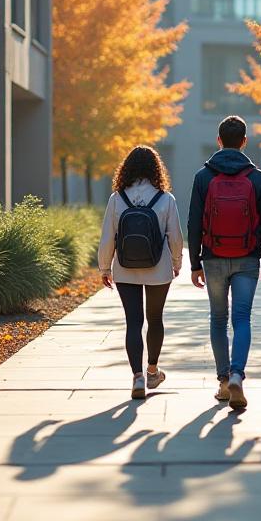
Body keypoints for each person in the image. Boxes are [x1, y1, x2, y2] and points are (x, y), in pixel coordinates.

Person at [187, 115, 261, 410]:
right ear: (244, 142)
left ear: (218, 141)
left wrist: (194, 263)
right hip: (247, 257)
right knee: (242, 318)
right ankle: (238, 373)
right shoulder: (257, 178)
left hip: (213, 257)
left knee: (218, 319)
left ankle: (224, 382)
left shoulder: (203, 177)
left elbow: (193, 222)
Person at [97, 145, 184, 399]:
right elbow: (176, 237)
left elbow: (107, 237)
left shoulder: (117, 198)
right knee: (155, 319)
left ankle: (137, 377)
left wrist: (105, 267)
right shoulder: (166, 199)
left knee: (133, 322)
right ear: (157, 169)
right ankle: (153, 371)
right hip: (158, 268)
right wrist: (176, 262)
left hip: (125, 269)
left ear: (127, 169)